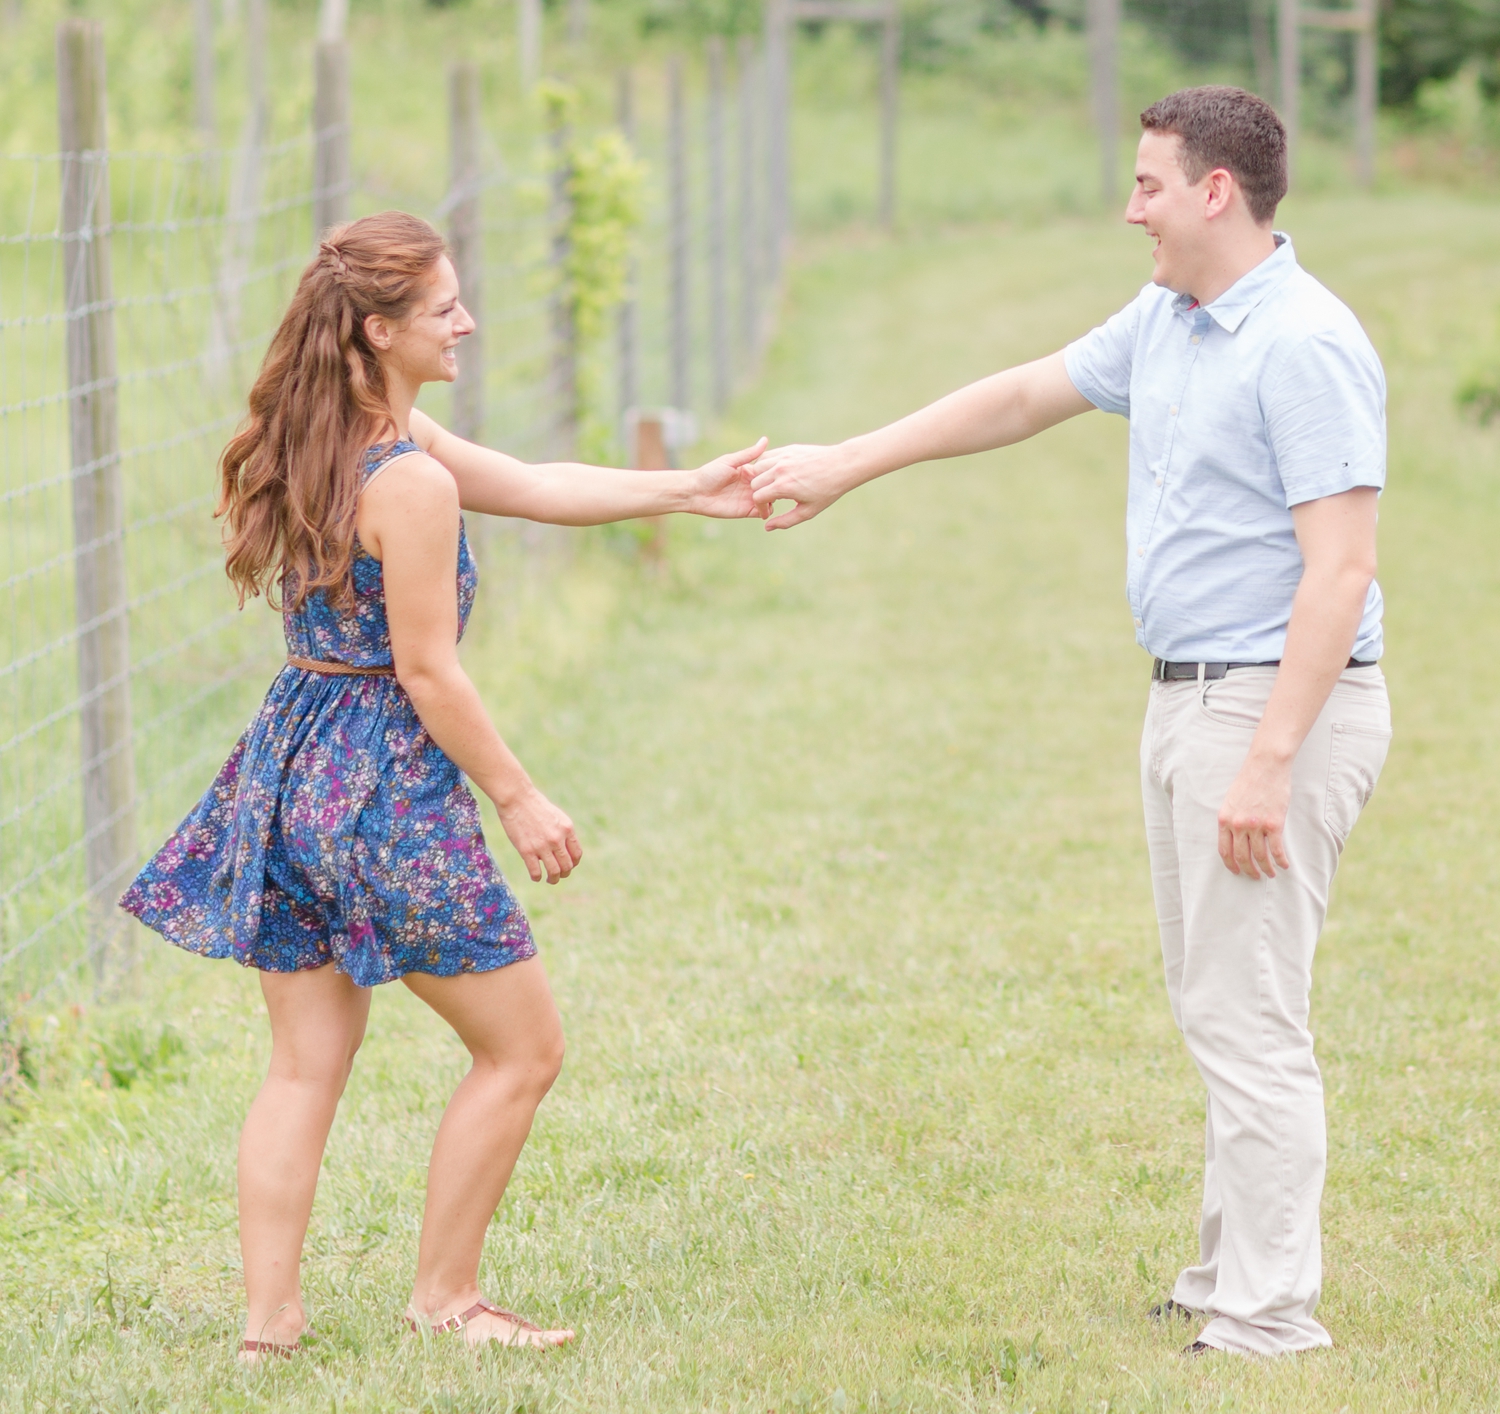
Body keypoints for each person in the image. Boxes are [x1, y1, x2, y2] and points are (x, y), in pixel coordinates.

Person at [747, 86, 1390, 1359]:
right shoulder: (1171, 319)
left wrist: (1267, 762)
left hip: (1270, 708)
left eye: (1149, 184)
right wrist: (843, 465)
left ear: (1217, 191)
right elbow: (1022, 397)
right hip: (1193, 698)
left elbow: (1342, 571)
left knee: (1248, 1014)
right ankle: (1225, 1279)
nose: (1130, 207)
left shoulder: (1303, 343)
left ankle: (1270, 1315)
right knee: (1217, 1000)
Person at [122, 211, 764, 1362]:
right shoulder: (408, 480)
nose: (466, 320)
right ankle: (447, 1299)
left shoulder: (334, 435)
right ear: (378, 328)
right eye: (443, 308)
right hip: (381, 784)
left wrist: (689, 490)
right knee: (524, 1048)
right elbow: (426, 670)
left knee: (303, 1063)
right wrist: (518, 795)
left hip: (293, 762)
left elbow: (531, 481)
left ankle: (268, 1332)